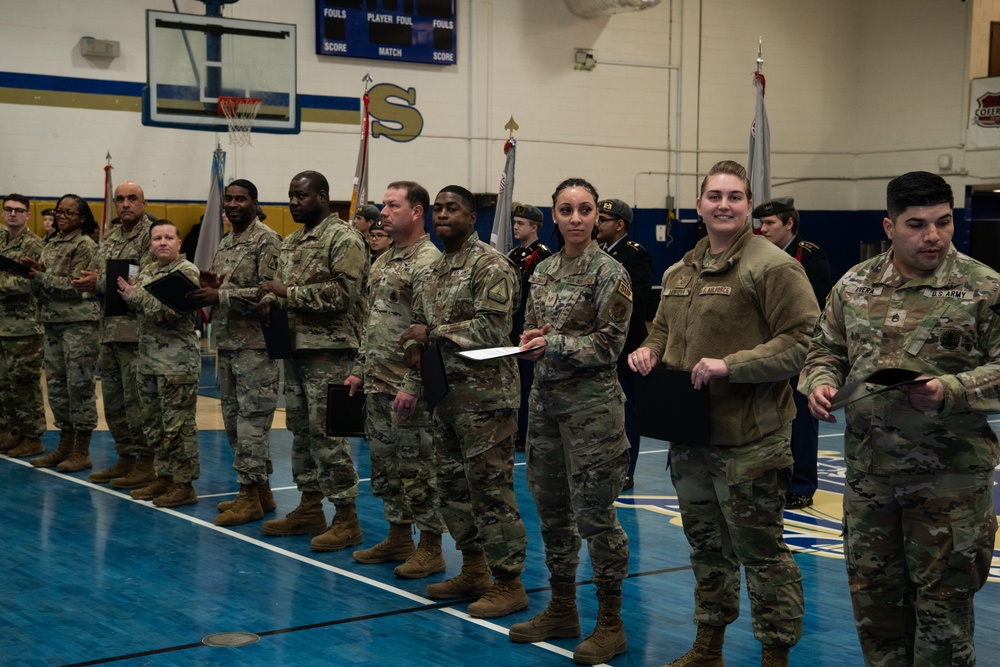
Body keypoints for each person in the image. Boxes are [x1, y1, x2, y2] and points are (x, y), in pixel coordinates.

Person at [800, 171, 1000, 667]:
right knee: (877, 612)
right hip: (871, 479)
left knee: (943, 621)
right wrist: (820, 383)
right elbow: (824, 349)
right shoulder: (855, 284)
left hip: (949, 483)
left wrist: (951, 389)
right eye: (916, 224)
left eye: (943, 222)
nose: (932, 236)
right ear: (889, 227)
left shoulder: (983, 287)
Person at [629, 160, 818, 667]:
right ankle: (708, 648)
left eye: (735, 197)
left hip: (751, 440)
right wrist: (649, 350)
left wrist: (731, 365)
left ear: (749, 207)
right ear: (699, 206)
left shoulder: (773, 266)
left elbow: (804, 342)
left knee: (761, 554)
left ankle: (774, 656)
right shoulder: (679, 270)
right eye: (714, 196)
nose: (723, 205)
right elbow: (663, 331)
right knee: (706, 549)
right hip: (690, 436)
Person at [509, 178, 632, 665]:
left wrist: (551, 344)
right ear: (554, 216)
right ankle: (562, 607)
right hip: (545, 408)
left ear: (596, 218)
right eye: (567, 210)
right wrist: (532, 337)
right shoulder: (541, 272)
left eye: (585, 210)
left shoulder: (610, 272)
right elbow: (543, 329)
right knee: (553, 512)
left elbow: (609, 345)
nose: (577, 218)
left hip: (593, 412)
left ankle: (610, 623)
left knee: (596, 518)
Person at [400, 185, 528, 619]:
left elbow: (494, 329)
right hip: (446, 397)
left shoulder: (490, 264)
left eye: (452, 209)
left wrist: (432, 334)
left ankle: (509, 582)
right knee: (452, 491)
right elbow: (421, 328)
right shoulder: (433, 271)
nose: (442, 215)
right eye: (437, 209)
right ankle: (474, 569)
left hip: (486, 402)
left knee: (491, 493)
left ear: (473, 218)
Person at [258, 170, 369, 552]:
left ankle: (346, 517)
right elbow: (279, 288)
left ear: (322, 196)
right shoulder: (291, 242)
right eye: (290, 195)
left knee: (329, 434)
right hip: (295, 347)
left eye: (300, 196)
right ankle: (309, 506)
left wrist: (287, 293)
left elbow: (344, 293)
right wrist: (271, 300)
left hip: (329, 351)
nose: (293, 202)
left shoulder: (344, 238)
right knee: (301, 430)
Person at [345, 180, 448, 579]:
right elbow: (372, 322)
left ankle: (431, 546)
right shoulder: (385, 259)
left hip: (408, 387)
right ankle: (399, 536)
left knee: (418, 468)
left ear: (417, 211)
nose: (383, 213)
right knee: (386, 469)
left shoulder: (427, 262)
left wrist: (412, 384)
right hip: (377, 382)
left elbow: (429, 331)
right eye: (384, 206)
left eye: (392, 206)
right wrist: (359, 368)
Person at [187, 179, 281, 526]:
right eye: (228, 199)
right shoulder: (226, 242)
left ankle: (248, 496)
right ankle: (261, 491)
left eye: (240, 198)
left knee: (252, 425)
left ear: (255, 203)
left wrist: (220, 296)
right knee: (232, 424)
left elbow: (270, 292)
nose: (232, 204)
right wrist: (213, 288)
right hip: (227, 344)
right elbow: (228, 288)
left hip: (256, 347)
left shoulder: (267, 240)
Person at [72, 182, 154, 489]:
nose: (125, 204)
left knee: (137, 403)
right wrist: (87, 282)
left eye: (132, 198)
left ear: (144, 203)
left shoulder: (152, 236)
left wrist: (99, 281)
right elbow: (94, 275)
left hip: (137, 334)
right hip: (108, 331)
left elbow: (144, 278)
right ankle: (125, 458)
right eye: (120, 199)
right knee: (115, 402)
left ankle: (147, 462)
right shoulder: (109, 237)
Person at [116, 220, 201, 507]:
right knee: (154, 423)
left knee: (178, 427)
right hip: (148, 360)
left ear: (179, 243)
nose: (162, 242)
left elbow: (170, 312)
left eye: (168, 237)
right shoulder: (149, 269)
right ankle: (164, 477)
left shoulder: (186, 271)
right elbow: (136, 305)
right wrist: (132, 297)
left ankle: (184, 484)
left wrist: (135, 297)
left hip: (177, 364)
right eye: (156, 238)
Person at [755, 196, 832, 509]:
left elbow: (813, 306)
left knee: (800, 420)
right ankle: (772, 478)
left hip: (800, 349)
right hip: (765, 348)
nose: (763, 229)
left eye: (770, 223)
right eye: (761, 224)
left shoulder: (809, 256)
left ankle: (801, 484)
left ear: (789, 223)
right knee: (767, 417)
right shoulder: (758, 255)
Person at [22, 195, 101, 472]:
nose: (62, 216)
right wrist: (33, 273)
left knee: (79, 387)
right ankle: (64, 447)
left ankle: (82, 451)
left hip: (79, 324)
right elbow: (44, 284)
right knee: (56, 387)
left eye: (69, 213)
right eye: (59, 212)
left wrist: (40, 277)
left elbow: (76, 285)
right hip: (52, 323)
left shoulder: (85, 245)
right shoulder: (51, 243)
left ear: (82, 218)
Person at [595, 197, 652, 490]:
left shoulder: (634, 256)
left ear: (619, 225)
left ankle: (625, 469)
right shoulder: (595, 254)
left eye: (603, 220)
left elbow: (638, 303)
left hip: (626, 345)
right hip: (600, 345)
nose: (597, 224)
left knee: (627, 409)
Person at [0, 194, 46, 458]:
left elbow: (29, 283)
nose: (13, 214)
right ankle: (14, 432)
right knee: (4, 384)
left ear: (28, 215)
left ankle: (32, 436)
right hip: (2, 326)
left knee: (25, 385)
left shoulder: (35, 246)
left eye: (19, 210)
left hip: (24, 328)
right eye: (8, 209)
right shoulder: (1, 240)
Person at [507, 203, 551, 452]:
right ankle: (516, 429)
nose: (515, 226)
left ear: (534, 227)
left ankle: (525, 431)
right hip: (512, 324)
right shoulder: (513, 255)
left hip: (528, 325)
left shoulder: (542, 255)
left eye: (521, 223)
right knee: (514, 381)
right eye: (514, 222)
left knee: (527, 382)